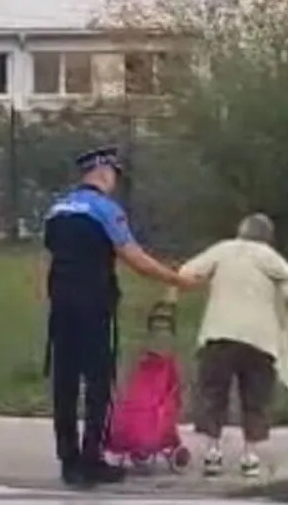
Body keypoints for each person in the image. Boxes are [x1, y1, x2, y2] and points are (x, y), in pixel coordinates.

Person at [38, 145, 201, 488]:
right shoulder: (104, 209)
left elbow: (49, 259)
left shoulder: (56, 211)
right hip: (94, 304)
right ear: (103, 173)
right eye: (114, 175)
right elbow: (134, 257)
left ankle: (68, 461)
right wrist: (177, 280)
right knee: (98, 382)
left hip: (61, 305)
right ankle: (91, 460)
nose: (114, 182)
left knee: (64, 383)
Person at [179, 213, 288, 478]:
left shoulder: (222, 250)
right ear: (268, 237)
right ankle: (250, 456)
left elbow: (187, 272)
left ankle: (212, 453)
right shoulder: (271, 258)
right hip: (259, 342)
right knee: (255, 398)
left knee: (213, 394)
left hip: (219, 335)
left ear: (241, 231)